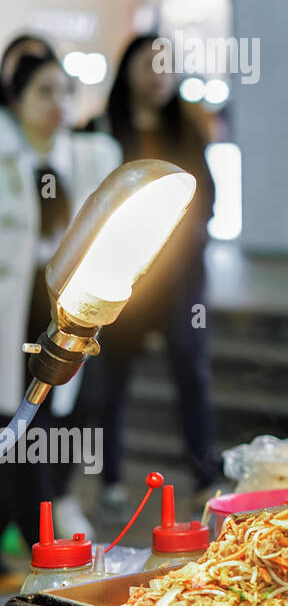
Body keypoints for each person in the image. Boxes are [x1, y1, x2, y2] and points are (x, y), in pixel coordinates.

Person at [87, 34, 219, 516]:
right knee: (112, 380)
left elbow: (208, 196)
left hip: (181, 279)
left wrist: (187, 240)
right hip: (126, 280)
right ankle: (111, 480)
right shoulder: (100, 130)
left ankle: (206, 476)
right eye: (148, 64)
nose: (158, 75)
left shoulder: (187, 126)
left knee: (192, 373)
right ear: (127, 70)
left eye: (166, 65)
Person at [0, 44, 121, 561]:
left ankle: (44, 525)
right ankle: (33, 531)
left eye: (65, 90)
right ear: (16, 99)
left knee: (57, 415)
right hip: (11, 308)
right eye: (43, 91)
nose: (57, 102)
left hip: (60, 306)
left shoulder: (87, 155)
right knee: (15, 421)